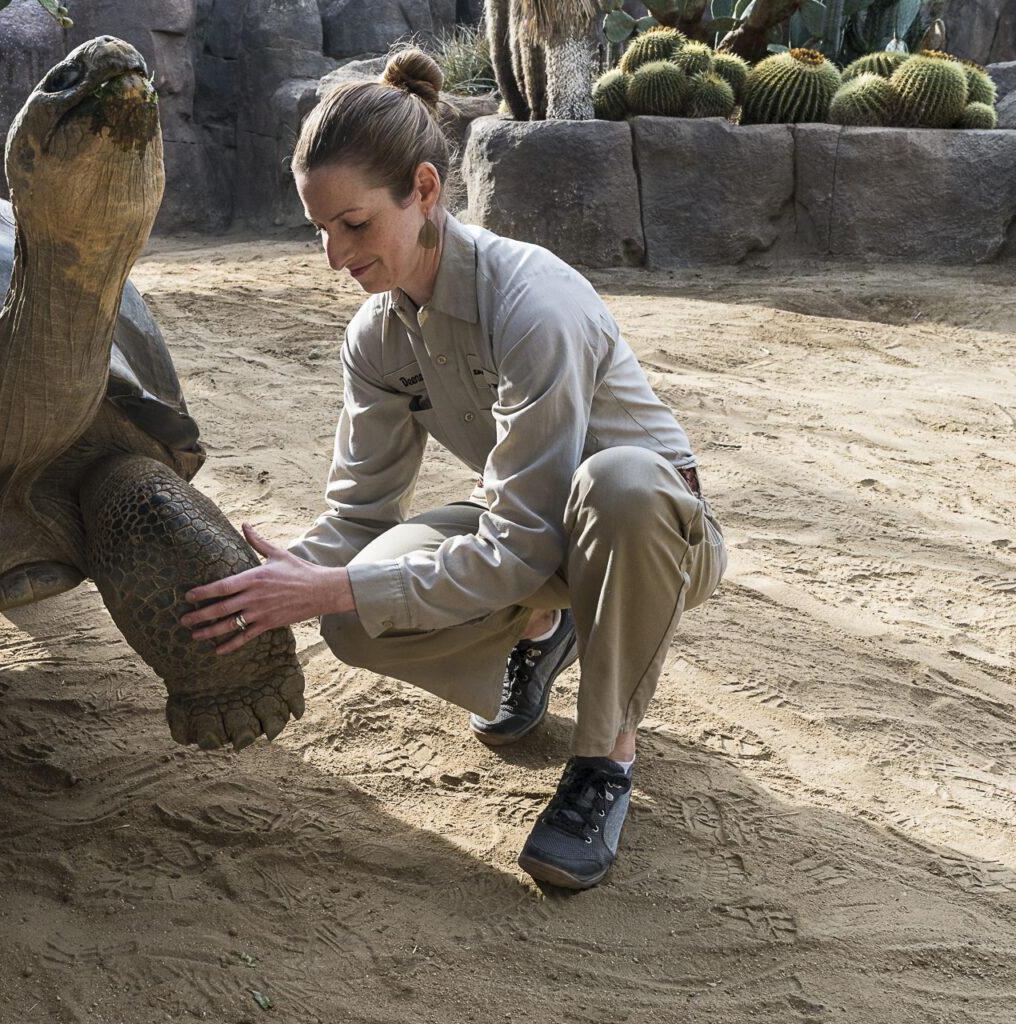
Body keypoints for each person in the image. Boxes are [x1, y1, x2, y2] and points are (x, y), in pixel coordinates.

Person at [178, 49, 726, 890]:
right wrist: (261, 579)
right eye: (319, 230)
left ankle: (605, 757)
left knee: (616, 486)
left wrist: (328, 586)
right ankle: (546, 632)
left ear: (425, 191)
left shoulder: (531, 303)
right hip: (531, 529)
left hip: (652, 533)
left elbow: (516, 542)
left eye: (354, 226)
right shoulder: (375, 334)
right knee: (355, 615)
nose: (334, 257)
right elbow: (360, 516)